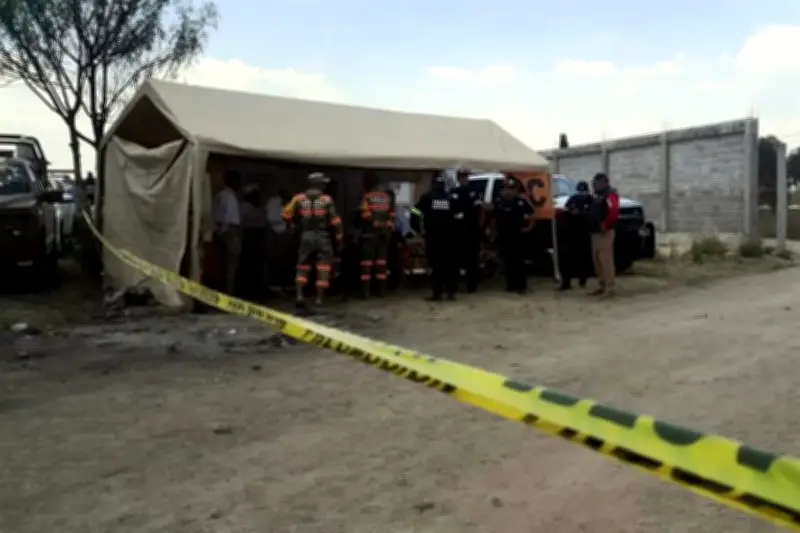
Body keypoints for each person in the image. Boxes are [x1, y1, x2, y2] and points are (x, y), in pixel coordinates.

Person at [282, 172, 343, 308]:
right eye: (323, 183)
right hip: (323, 236)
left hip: (306, 235)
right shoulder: (327, 200)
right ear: (319, 184)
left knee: (302, 266)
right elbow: (335, 221)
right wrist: (339, 237)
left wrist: (293, 224)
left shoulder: (299, 199)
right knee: (323, 267)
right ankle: (319, 299)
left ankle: (299, 295)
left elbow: (286, 214)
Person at [410, 172, 459, 301]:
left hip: (432, 237)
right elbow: (459, 217)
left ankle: (437, 293)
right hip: (450, 238)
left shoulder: (427, 198)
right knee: (450, 265)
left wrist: (418, 230)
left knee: (436, 265)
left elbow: (415, 212)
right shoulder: (451, 199)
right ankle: (451, 293)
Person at [492, 177, 534, 294]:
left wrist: (528, 228)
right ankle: (510, 285)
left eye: (511, 188)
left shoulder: (520, 201)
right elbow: (494, 218)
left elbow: (531, 214)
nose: (508, 191)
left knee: (519, 261)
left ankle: (521, 286)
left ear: (515, 190)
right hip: (504, 236)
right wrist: (493, 231)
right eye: (506, 188)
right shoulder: (499, 202)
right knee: (507, 261)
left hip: (518, 236)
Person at [358, 172, 395, 298]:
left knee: (366, 263)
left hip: (370, 234)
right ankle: (381, 291)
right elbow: (392, 214)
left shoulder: (367, 197)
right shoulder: (386, 196)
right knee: (381, 262)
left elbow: (364, 214)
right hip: (384, 234)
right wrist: (387, 224)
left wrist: (375, 222)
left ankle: (366, 292)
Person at [588, 172, 620, 298]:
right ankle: (601, 285)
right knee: (597, 261)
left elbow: (614, 211)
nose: (594, 185)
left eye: (596, 183)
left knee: (606, 260)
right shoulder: (598, 196)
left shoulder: (610, 195)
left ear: (604, 183)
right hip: (595, 232)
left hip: (605, 232)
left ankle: (610, 288)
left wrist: (606, 225)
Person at [558, 180, 594, 291]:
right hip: (571, 234)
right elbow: (566, 212)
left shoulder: (592, 200)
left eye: (583, 192)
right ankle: (566, 282)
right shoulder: (572, 199)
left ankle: (583, 280)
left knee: (584, 259)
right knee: (567, 258)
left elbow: (593, 215)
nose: (581, 195)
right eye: (580, 192)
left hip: (585, 234)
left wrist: (582, 214)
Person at [452, 169, 482, 293]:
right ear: (458, 179)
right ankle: (454, 285)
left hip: (472, 230)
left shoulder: (474, 191)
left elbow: (478, 208)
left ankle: (472, 286)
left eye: (466, 176)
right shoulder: (454, 192)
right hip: (458, 231)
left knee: (473, 260)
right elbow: (453, 211)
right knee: (456, 259)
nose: (464, 179)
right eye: (462, 177)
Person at [213, 170, 242, 294]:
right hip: (229, 230)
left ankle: (227, 290)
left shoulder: (222, 194)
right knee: (231, 263)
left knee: (227, 263)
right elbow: (226, 217)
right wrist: (224, 231)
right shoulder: (228, 195)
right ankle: (228, 292)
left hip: (226, 230)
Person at [237, 184, 268, 300]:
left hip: (258, 241)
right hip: (249, 240)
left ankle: (257, 293)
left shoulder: (259, 208)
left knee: (258, 269)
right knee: (249, 268)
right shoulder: (244, 207)